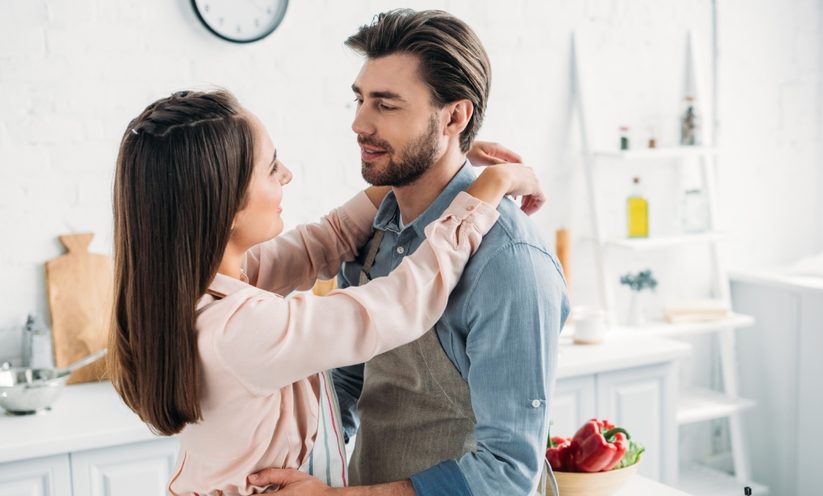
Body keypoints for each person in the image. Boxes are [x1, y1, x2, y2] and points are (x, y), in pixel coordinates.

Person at [106, 89, 545, 495]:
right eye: (271, 167)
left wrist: (434, 159)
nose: (287, 175)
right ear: (226, 204)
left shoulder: (194, 288)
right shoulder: (242, 329)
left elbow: (326, 239)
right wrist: (489, 188)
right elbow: (401, 302)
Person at [250, 9, 570, 496]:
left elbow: (507, 475)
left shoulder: (510, 261)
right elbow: (348, 382)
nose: (359, 122)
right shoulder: (375, 230)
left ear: (454, 116)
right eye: (359, 99)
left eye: (387, 104)